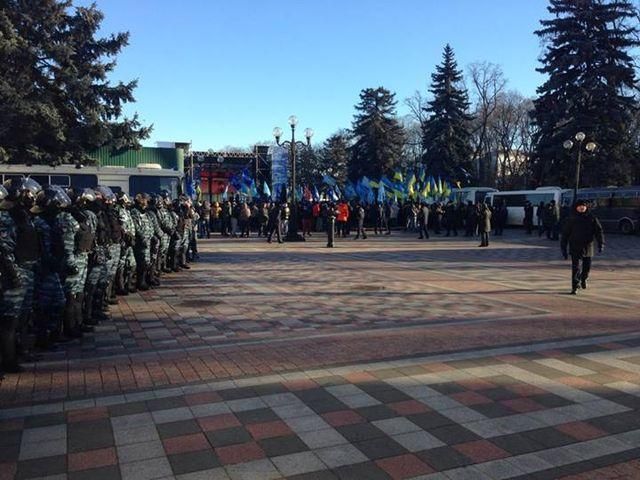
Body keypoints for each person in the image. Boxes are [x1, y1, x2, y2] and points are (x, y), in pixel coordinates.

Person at [561, 200, 604, 295]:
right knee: (575, 268)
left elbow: (598, 231)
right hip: (575, 247)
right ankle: (575, 286)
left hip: (588, 247)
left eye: (583, 206)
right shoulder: (571, 219)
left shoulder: (591, 218)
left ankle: (583, 278)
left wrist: (601, 244)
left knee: (586, 268)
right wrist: (563, 248)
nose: (581, 208)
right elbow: (565, 234)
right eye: (579, 206)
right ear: (576, 207)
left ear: (586, 207)